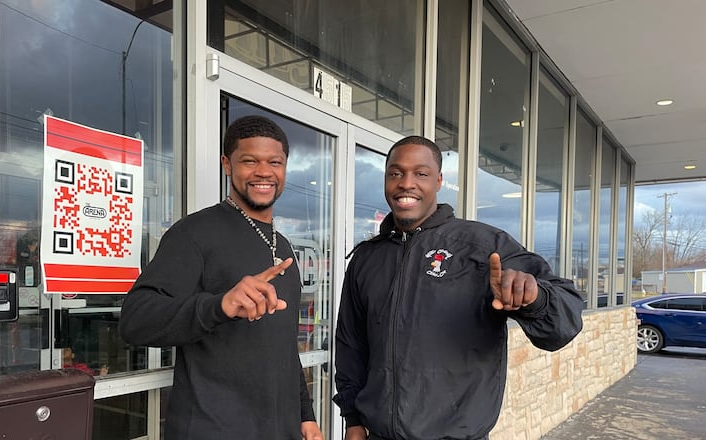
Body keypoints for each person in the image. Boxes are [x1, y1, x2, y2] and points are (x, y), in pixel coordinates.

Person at [333, 136, 585, 440]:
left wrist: (535, 298)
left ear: (438, 181)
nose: (406, 183)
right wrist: (353, 420)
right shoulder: (367, 258)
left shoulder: (482, 247)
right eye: (395, 173)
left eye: (421, 173)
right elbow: (351, 346)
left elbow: (564, 322)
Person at [119, 115, 323, 440]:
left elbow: (284, 346)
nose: (263, 172)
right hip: (212, 429)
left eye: (275, 162)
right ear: (227, 165)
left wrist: (305, 415)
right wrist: (219, 306)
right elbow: (135, 320)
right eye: (249, 161)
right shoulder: (194, 234)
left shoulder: (281, 246)